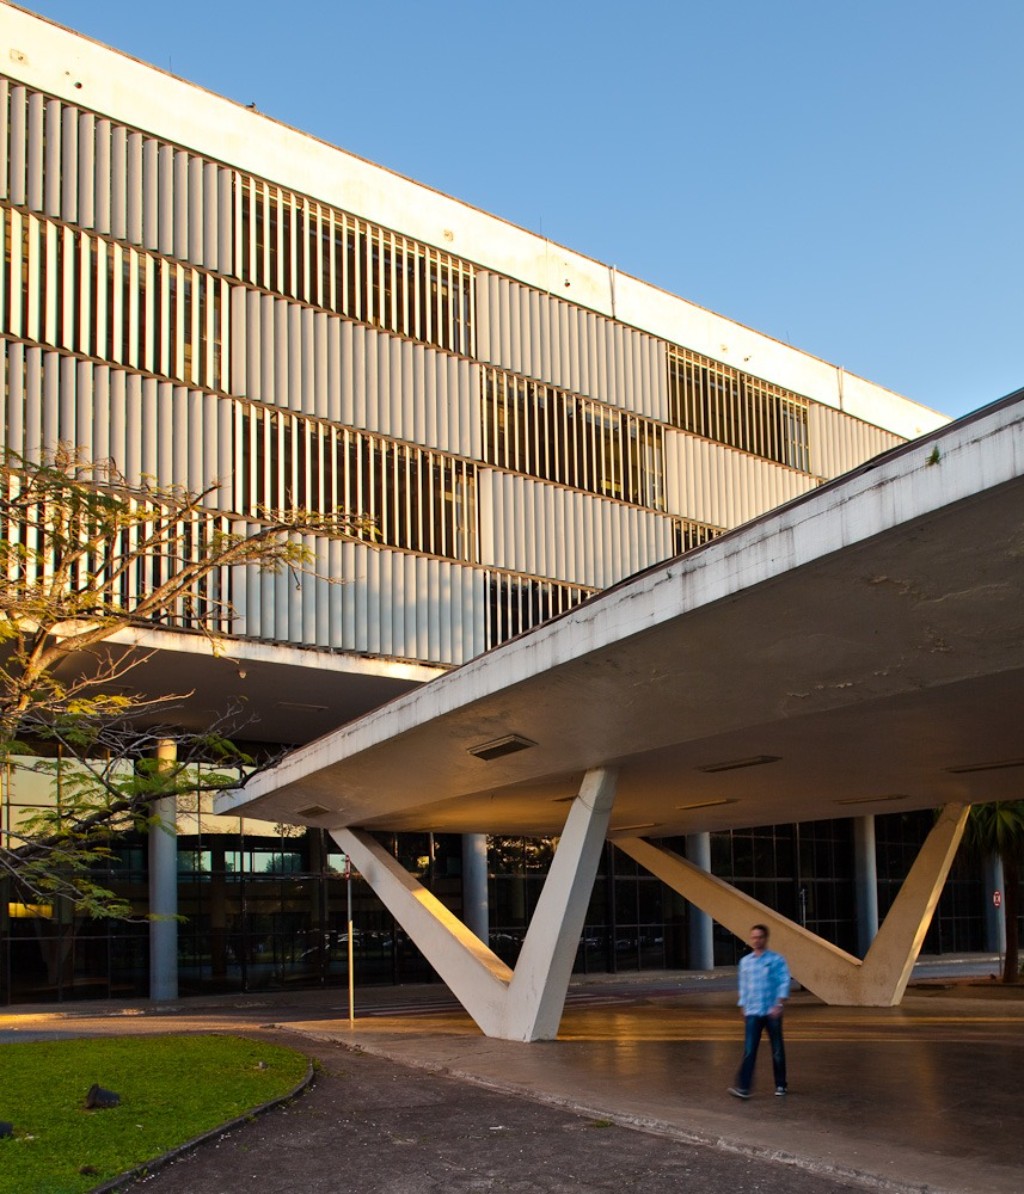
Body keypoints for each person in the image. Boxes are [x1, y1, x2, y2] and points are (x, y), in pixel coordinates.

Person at [728, 923, 790, 1099]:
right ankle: (744, 1087)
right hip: (753, 1011)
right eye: (753, 937)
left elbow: (783, 981)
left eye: (759, 937)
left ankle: (780, 1084)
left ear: (765, 938)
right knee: (749, 1050)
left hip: (772, 1012)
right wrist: (743, 1005)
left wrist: (779, 1004)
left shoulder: (776, 960)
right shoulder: (745, 962)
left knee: (777, 1049)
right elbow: (744, 986)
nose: (756, 940)